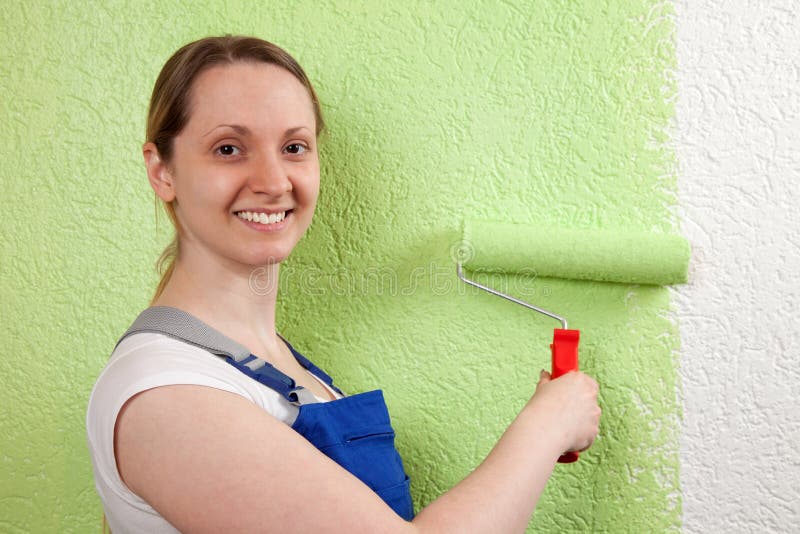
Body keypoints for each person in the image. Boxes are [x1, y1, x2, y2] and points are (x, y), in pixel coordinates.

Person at [86, 35, 601, 533]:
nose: (273, 181)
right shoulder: (168, 396)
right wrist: (546, 426)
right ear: (162, 171)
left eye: (293, 147)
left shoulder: (268, 362)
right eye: (228, 148)